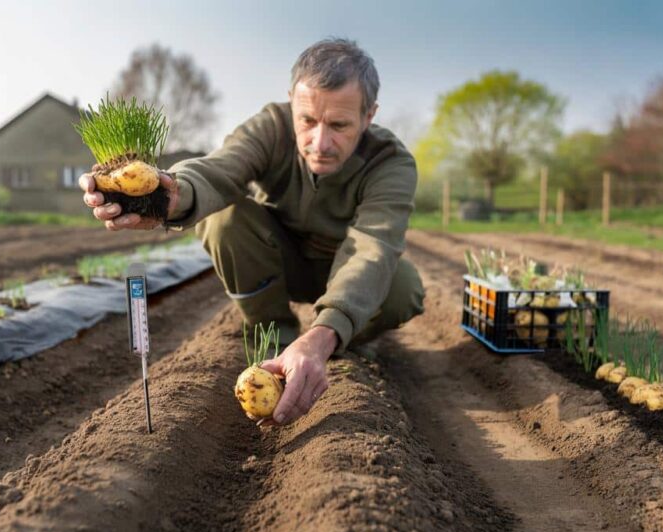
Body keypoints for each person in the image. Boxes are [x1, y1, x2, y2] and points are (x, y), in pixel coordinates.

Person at [80, 38, 424, 426]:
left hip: (340, 268)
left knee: (403, 287)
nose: (320, 142)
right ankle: (276, 339)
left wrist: (321, 336)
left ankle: (329, 347)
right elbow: (220, 170)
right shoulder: (271, 126)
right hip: (278, 259)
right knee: (223, 216)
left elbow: (372, 248)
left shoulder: (391, 163)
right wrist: (173, 197)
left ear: (369, 115)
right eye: (308, 121)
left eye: (340, 126)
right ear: (292, 100)